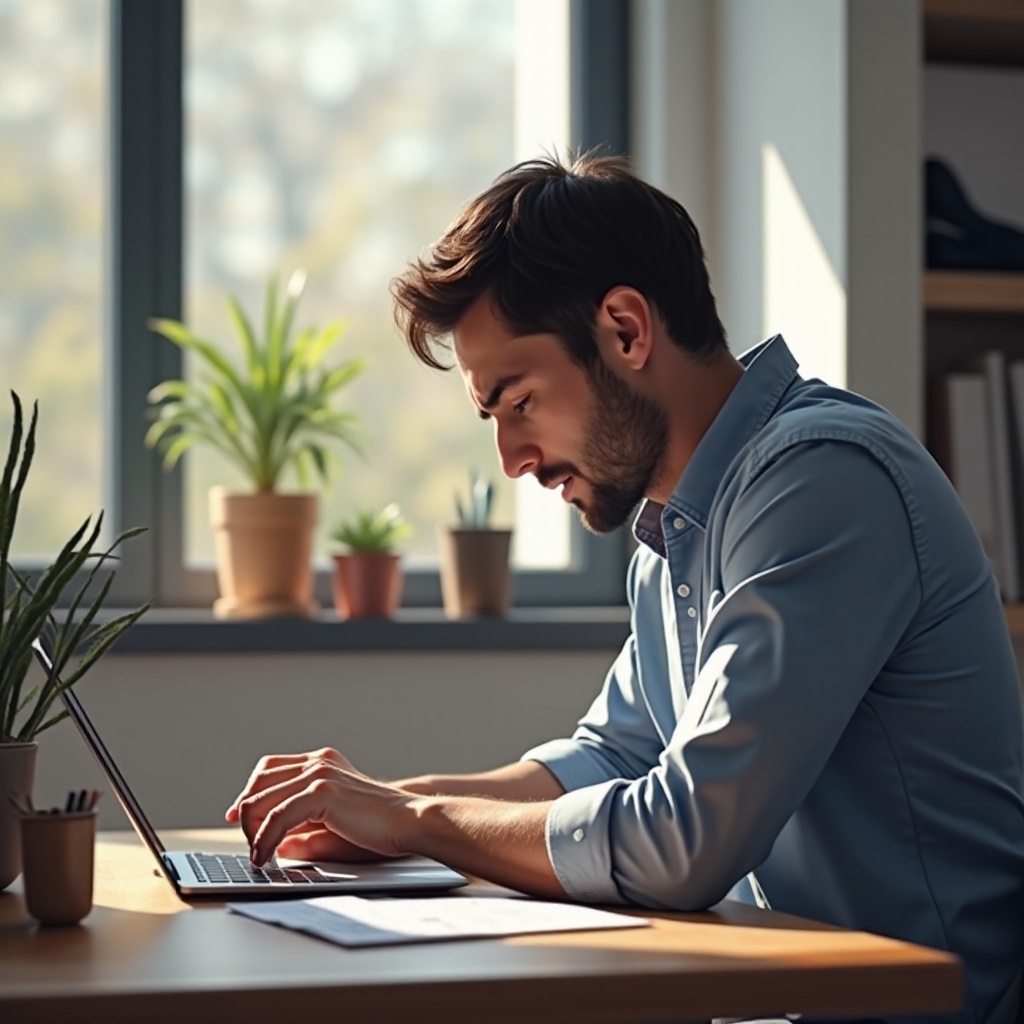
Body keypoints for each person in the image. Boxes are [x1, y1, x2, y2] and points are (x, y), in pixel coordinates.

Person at [227, 152, 1024, 1024]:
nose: (513, 459)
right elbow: (612, 756)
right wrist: (373, 806)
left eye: (519, 400)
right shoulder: (674, 528)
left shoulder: (821, 478)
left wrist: (415, 819)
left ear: (625, 330)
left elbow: (686, 839)